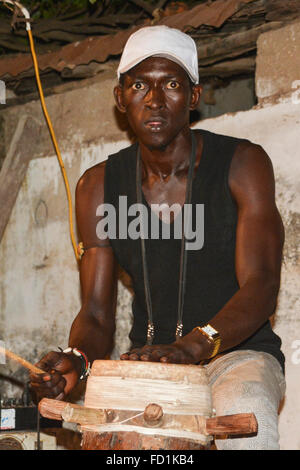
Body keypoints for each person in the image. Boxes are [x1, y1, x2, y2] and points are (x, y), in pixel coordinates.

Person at [30, 26, 286, 450]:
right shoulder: (97, 187)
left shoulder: (242, 163)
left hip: (237, 356)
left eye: (170, 84)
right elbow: (95, 314)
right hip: (150, 361)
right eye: (138, 85)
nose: (154, 100)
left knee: (249, 424)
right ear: (120, 98)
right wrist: (77, 360)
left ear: (194, 96)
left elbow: (262, 284)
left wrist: (193, 347)